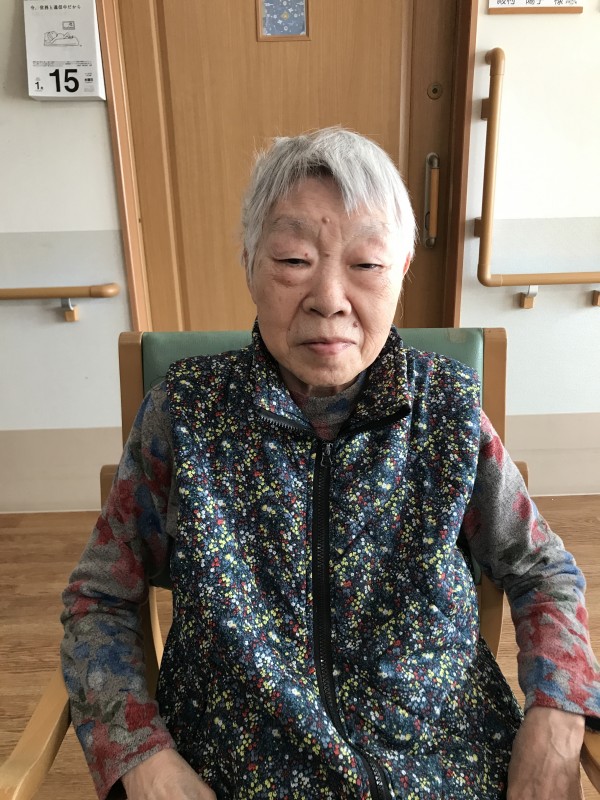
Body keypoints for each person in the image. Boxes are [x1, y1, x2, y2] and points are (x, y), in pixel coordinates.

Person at [61, 127, 600, 800]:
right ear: (250, 263)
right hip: (235, 773)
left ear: (402, 268)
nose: (330, 298)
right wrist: (143, 757)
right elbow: (98, 599)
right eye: (293, 260)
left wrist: (556, 715)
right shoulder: (185, 414)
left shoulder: (448, 411)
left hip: (444, 766)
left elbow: (541, 571)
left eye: (366, 264)